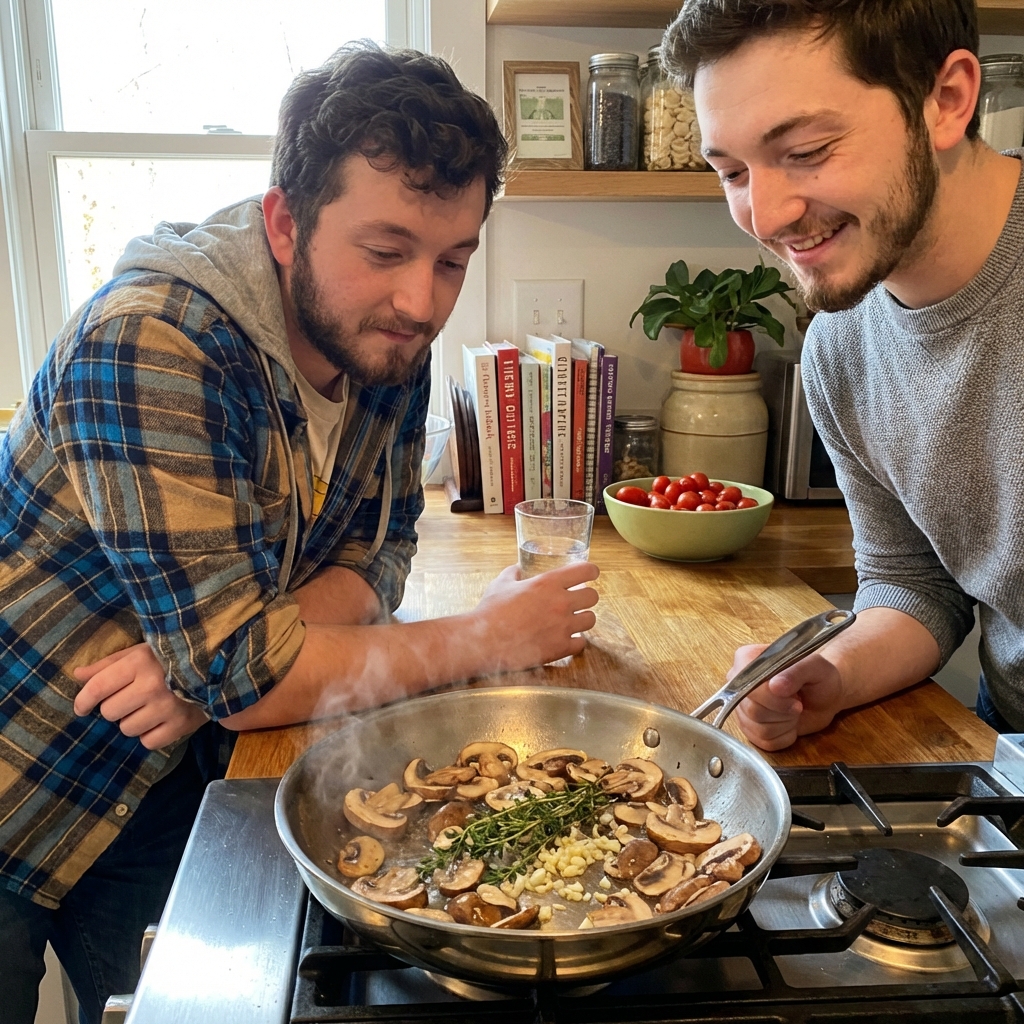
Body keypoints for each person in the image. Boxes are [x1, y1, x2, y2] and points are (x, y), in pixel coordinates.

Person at [0, 43, 599, 1023]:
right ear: (285, 224)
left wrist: (214, 669)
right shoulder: (152, 342)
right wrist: (487, 637)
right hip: (21, 775)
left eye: (452, 260)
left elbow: (381, 553)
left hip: (159, 775)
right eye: (385, 250)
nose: (422, 301)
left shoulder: (383, 341)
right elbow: (244, 677)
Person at [661, 0, 1023, 749]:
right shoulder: (840, 350)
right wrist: (832, 671)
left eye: (807, 150)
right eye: (732, 172)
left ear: (947, 99)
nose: (765, 216)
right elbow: (914, 581)